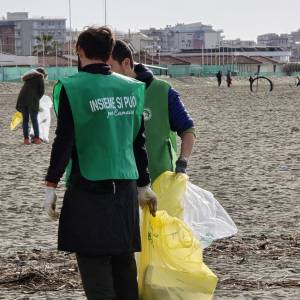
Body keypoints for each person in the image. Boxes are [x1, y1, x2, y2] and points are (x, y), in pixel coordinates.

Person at [43, 27, 157, 300]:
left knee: (95, 267)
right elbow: (138, 141)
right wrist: (144, 184)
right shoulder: (132, 87)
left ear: (79, 51)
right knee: (123, 263)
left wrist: (51, 183)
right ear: (109, 54)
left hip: (89, 188)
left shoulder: (72, 87)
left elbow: (65, 140)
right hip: (126, 187)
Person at [108, 40, 196, 183]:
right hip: (121, 182)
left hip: (160, 179)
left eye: (110, 67)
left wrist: (183, 161)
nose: (107, 73)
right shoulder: (106, 94)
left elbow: (188, 129)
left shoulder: (162, 90)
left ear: (125, 63)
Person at [16, 67, 46, 144]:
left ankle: (26, 139)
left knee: (25, 120)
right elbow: (42, 91)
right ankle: (36, 139)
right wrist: (36, 98)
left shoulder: (28, 78)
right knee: (34, 119)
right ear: (42, 73)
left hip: (22, 100)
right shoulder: (40, 78)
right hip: (32, 101)